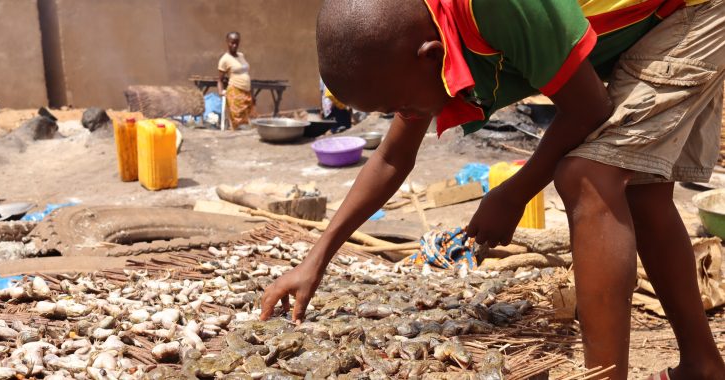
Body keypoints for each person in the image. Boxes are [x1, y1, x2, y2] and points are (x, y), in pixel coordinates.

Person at [261, 0, 725, 379]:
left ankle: (603, 377)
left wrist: (514, 192)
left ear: (429, 55)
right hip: (649, 22)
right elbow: (390, 158)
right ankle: (702, 366)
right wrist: (316, 259)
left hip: (691, 11)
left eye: (397, 104)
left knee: (587, 175)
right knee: (642, 190)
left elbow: (588, 108)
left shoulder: (498, 7)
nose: (401, 113)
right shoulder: (421, 39)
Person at [217, 31, 254, 129]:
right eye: (232, 42)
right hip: (235, 92)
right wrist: (221, 91)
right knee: (238, 123)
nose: (234, 45)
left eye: (236, 43)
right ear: (227, 42)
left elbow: (245, 72)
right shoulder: (224, 59)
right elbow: (220, 79)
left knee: (248, 122)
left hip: (247, 93)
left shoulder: (241, 56)